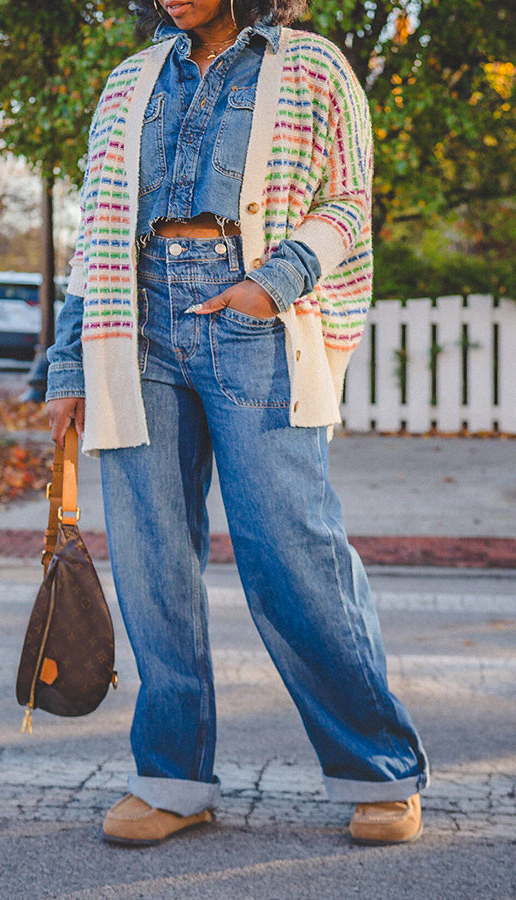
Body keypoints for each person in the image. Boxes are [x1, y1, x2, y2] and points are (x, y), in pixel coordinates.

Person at [46, 0, 429, 846]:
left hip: (252, 316)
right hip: (135, 321)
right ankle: (173, 780)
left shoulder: (311, 66)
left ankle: (379, 768)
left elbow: (346, 200)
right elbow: (93, 230)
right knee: (153, 567)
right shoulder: (127, 81)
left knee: (291, 551)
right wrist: (71, 363)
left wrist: (274, 282)